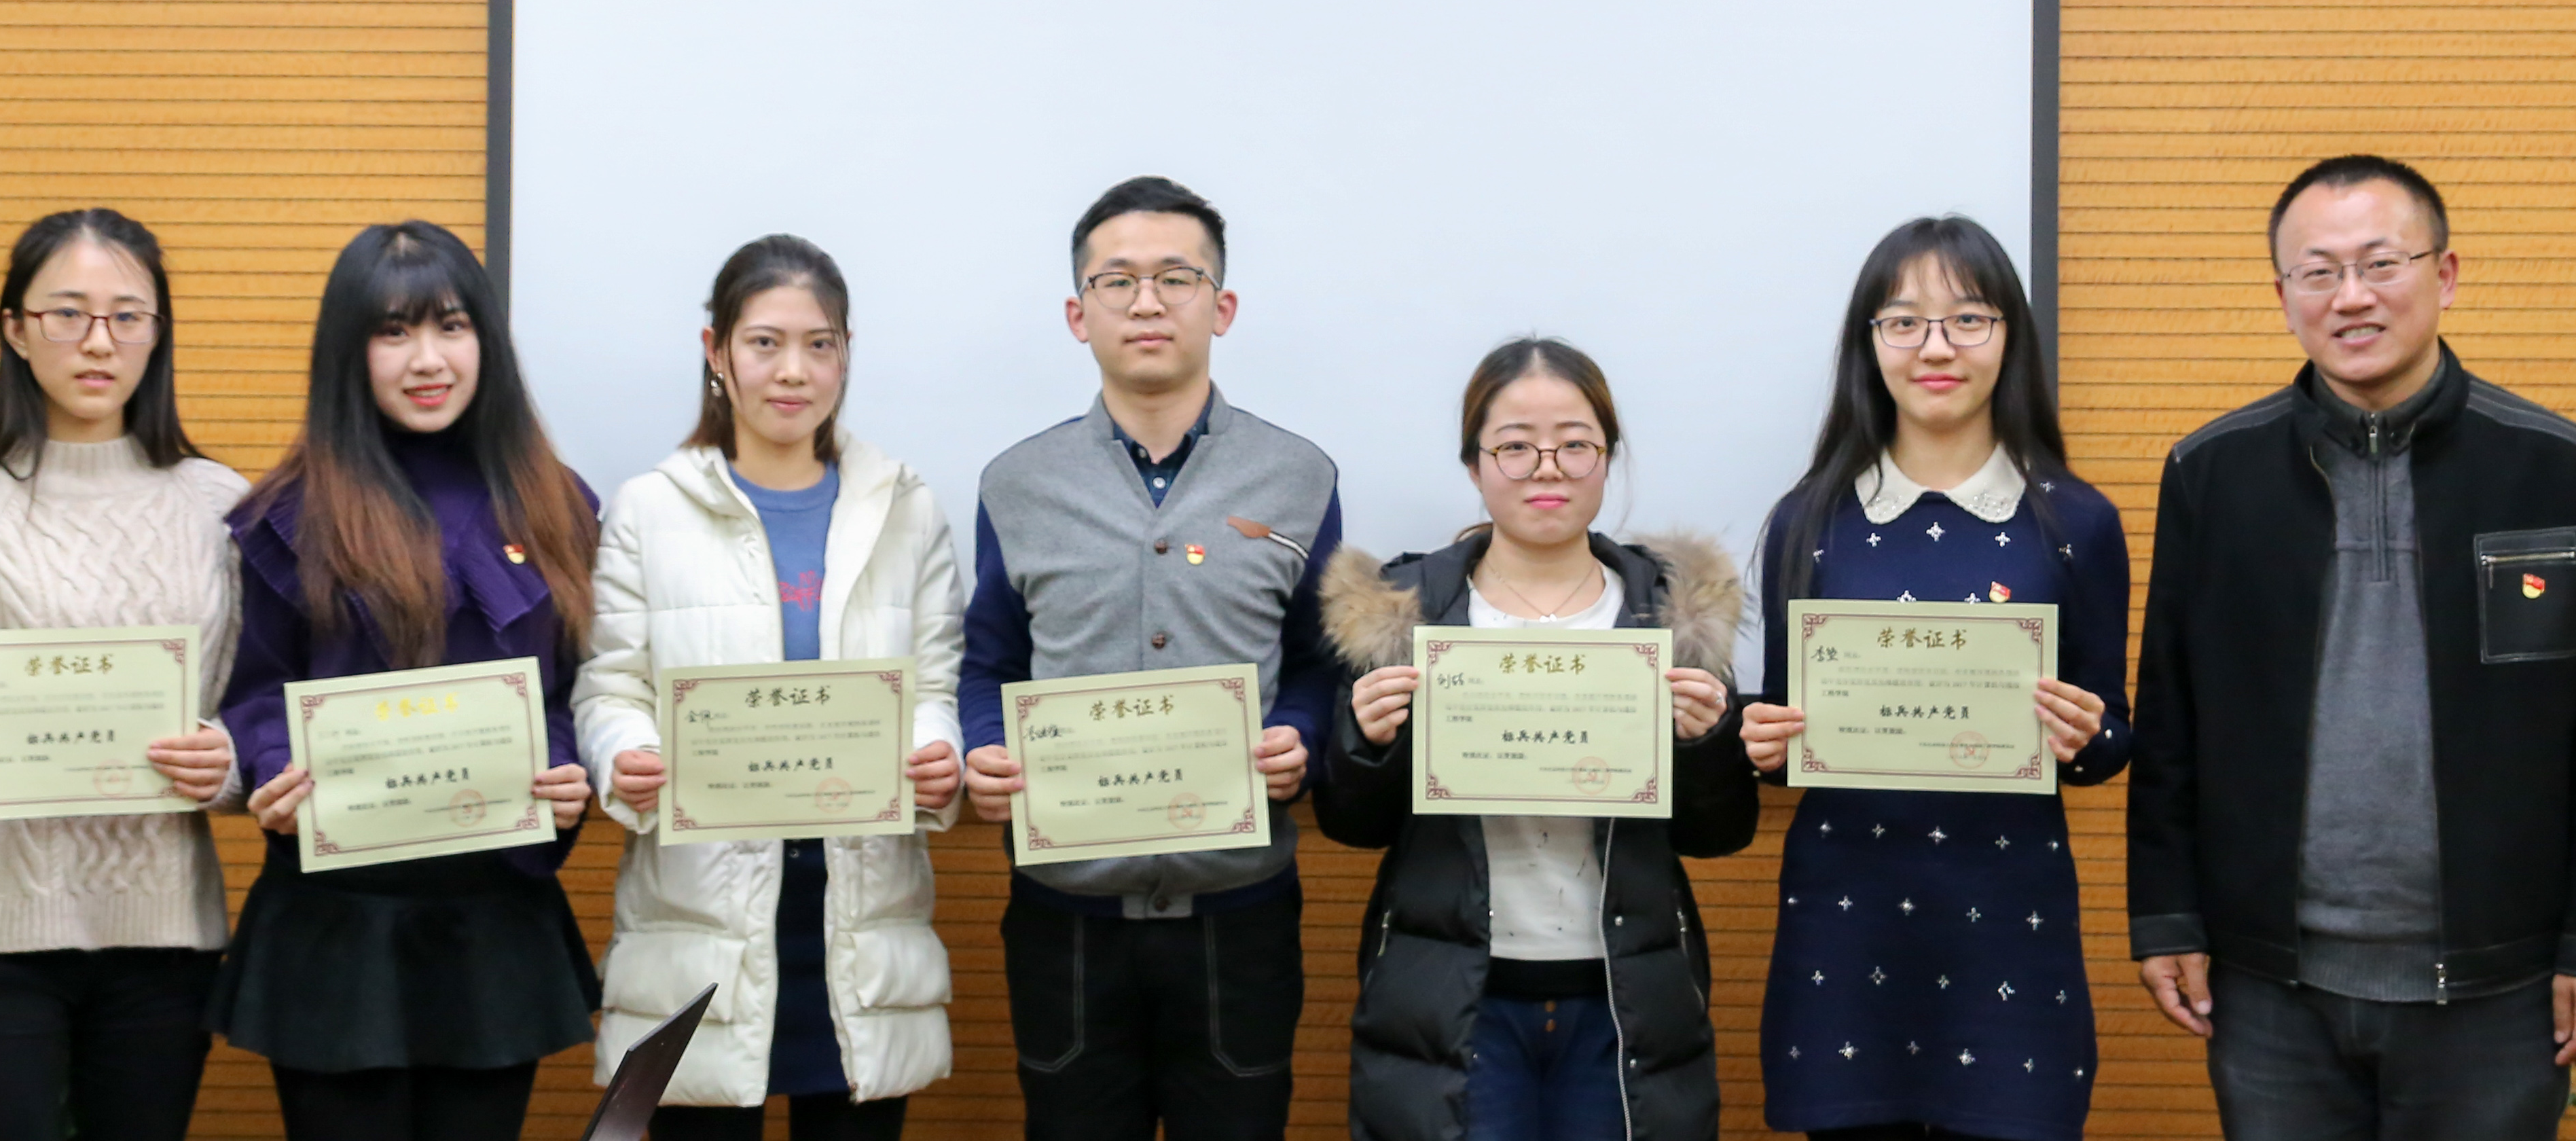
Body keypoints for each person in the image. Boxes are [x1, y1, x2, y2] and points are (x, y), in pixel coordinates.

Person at [2129, 156, 2576, 1141]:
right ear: (2283, 297)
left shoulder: (2565, 472)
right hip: (2270, 982)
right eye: (2318, 272)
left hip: (2501, 984)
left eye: (2381, 264)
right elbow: (2171, 717)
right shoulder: (2212, 473)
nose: (2352, 296)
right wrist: (2167, 918)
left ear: (2445, 274)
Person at [0, 209, 250, 1141]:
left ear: (158, 333)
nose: (99, 341)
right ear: (16, 330)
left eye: (127, 316)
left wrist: (224, 762)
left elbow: (254, 717)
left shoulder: (221, 508)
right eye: (68, 313)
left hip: (162, 934)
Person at [958, 175, 1344, 1141]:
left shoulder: (1299, 477)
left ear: (1222, 306)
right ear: (1077, 313)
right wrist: (982, 746)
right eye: (1117, 279)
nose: (1146, 302)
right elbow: (988, 664)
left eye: (1176, 277)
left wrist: (1300, 733)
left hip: (1241, 913)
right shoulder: (1016, 483)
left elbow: (1318, 660)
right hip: (1065, 914)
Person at [1736, 216, 2133, 1141]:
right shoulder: (1809, 519)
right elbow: (1788, 739)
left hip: (2010, 929)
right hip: (1846, 927)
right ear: (1869, 343)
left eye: (1968, 318)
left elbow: (2112, 736)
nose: (1937, 347)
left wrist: (2086, 735)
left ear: (2010, 338)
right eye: (1905, 321)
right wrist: (1760, 743)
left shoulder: (2076, 521)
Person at [211, 220, 602, 1141]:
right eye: (393, 331)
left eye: (451, 326)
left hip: (494, 919)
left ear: (485, 341)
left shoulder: (556, 500)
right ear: (350, 352)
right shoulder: (289, 512)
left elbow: (577, 689)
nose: (428, 358)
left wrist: (564, 765)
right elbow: (258, 688)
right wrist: (275, 768)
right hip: (337, 924)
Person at [577, 236, 968, 1141]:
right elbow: (610, 687)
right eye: (765, 343)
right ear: (716, 351)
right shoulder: (649, 508)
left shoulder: (906, 507)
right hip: (698, 919)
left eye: (819, 344)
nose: (794, 370)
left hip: (860, 917)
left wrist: (936, 750)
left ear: (846, 352)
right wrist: (626, 754)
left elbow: (936, 681)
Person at [1317, 337, 1756, 1141]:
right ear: (1474, 464)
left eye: (1575, 444)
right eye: (1515, 446)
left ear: (1607, 457)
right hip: (1453, 997)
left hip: (1625, 997)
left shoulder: (1671, 612)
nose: (1546, 468)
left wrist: (1705, 743)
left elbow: (1720, 833)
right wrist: (1369, 743)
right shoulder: (1405, 612)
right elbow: (1353, 824)